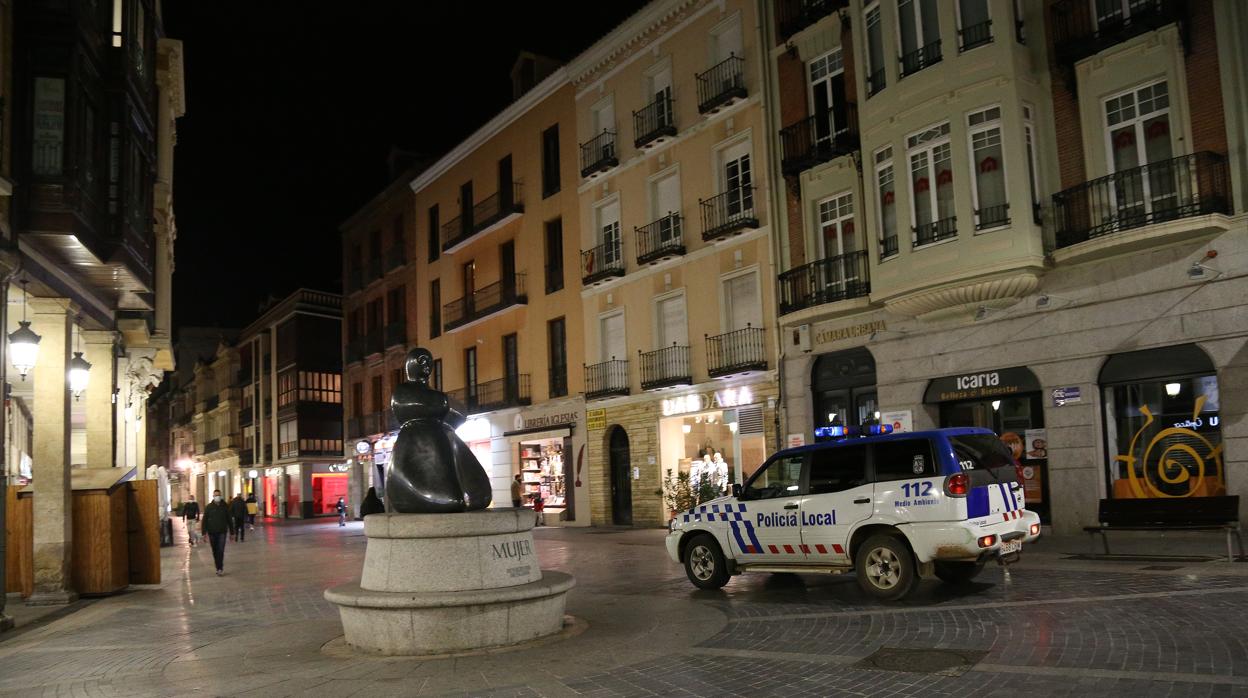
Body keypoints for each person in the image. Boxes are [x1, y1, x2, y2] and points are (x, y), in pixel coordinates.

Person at [202, 489, 232, 576]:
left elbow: (229, 519)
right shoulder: (209, 507)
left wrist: (232, 532)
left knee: (221, 550)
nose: (217, 497)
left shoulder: (225, 506)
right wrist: (204, 533)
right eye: (215, 495)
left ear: (220, 496)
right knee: (215, 550)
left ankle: (220, 568)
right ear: (213, 496)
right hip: (212, 532)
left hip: (222, 532)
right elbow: (204, 521)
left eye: (218, 495)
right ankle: (217, 566)